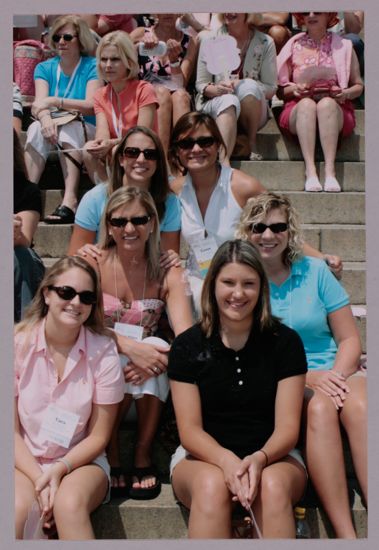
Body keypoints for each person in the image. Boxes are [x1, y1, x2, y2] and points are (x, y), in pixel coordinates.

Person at [237, 192, 366, 538]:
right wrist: (311, 377)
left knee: (363, 406)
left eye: (277, 226)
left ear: (290, 231)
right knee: (321, 408)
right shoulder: (243, 283)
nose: (268, 235)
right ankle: (346, 534)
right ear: (246, 230)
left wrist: (335, 377)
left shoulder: (316, 271)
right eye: (258, 226)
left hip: (336, 369)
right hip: (284, 378)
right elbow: (248, 356)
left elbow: (350, 340)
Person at [167, 239, 307, 538]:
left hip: (275, 456)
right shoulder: (187, 346)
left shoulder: (286, 342)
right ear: (212, 285)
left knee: (271, 486)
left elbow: (287, 428)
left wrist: (259, 459)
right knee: (211, 485)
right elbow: (190, 431)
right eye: (228, 282)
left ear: (262, 288)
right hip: (202, 458)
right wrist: (226, 462)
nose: (238, 293)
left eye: (249, 283)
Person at [168, 111, 341, 316]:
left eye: (205, 141)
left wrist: (322, 258)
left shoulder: (243, 186)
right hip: (198, 279)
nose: (196, 149)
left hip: (241, 279)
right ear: (177, 151)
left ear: (218, 146)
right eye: (186, 144)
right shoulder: (175, 191)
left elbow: (279, 228)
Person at [84, 186, 193, 499]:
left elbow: (186, 335)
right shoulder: (93, 264)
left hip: (147, 384)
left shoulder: (167, 271)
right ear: (108, 225)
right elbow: (80, 324)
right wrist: (130, 347)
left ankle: (142, 451)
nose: (128, 229)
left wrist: (159, 358)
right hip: (100, 375)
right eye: (118, 221)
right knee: (114, 355)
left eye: (138, 220)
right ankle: (113, 450)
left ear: (152, 224)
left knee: (159, 344)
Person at [14, 255, 124, 539]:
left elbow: (99, 436)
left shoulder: (104, 352)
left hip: (80, 462)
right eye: (66, 292)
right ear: (47, 294)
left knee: (69, 504)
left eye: (86, 297)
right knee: (17, 508)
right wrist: (42, 479)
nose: (76, 302)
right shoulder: (15, 345)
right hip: (23, 460)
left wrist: (60, 470)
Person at [24, 15, 100, 223]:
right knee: (34, 129)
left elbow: (91, 106)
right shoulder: (45, 67)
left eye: (67, 37)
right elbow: (39, 104)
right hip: (53, 126)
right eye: (56, 37)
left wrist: (55, 101)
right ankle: (27, 196)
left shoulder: (92, 66)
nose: (61, 42)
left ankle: (70, 200)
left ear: (80, 39)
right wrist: (46, 119)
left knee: (68, 128)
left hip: (85, 127)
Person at [68, 126, 181, 265]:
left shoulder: (169, 201)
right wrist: (84, 253)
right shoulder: (95, 199)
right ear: (121, 159)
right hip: (104, 272)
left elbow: (166, 261)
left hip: (148, 276)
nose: (141, 159)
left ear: (158, 162)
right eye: (132, 152)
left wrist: (172, 258)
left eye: (150, 154)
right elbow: (74, 259)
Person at [277, 12, 364, 192]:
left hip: (336, 107)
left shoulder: (345, 45)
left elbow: (358, 86)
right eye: (305, 12)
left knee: (326, 104)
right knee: (307, 105)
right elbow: (280, 90)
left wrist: (344, 93)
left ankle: (330, 171)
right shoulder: (292, 44)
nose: (310, 15)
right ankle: (310, 170)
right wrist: (295, 89)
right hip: (298, 108)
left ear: (329, 16)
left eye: (317, 11)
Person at [195, 13, 277, 162]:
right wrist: (217, 89)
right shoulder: (210, 39)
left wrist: (243, 83)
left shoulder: (266, 42)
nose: (229, 11)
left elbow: (271, 88)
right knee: (228, 100)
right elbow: (201, 84)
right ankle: (222, 162)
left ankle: (251, 143)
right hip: (219, 104)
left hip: (253, 110)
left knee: (249, 86)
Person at [83, 30, 158, 183]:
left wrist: (112, 143)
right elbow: (102, 133)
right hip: (117, 152)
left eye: (115, 59)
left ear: (129, 62)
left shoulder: (144, 89)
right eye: (104, 59)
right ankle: (108, 196)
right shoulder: (100, 95)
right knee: (88, 150)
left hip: (144, 153)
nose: (108, 65)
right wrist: (100, 144)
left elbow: (141, 135)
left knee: (120, 151)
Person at [133, 13, 199, 153]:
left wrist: (174, 60)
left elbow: (181, 83)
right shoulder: (140, 33)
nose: (167, 12)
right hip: (145, 96)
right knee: (161, 93)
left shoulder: (190, 41)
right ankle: (163, 160)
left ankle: (182, 158)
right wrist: (139, 46)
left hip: (176, 93)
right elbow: (118, 53)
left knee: (181, 95)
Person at [14, 129, 45, 322]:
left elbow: (24, 240)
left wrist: (14, 232)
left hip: (16, 254)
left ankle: (23, 332)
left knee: (20, 256)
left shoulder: (26, 190)